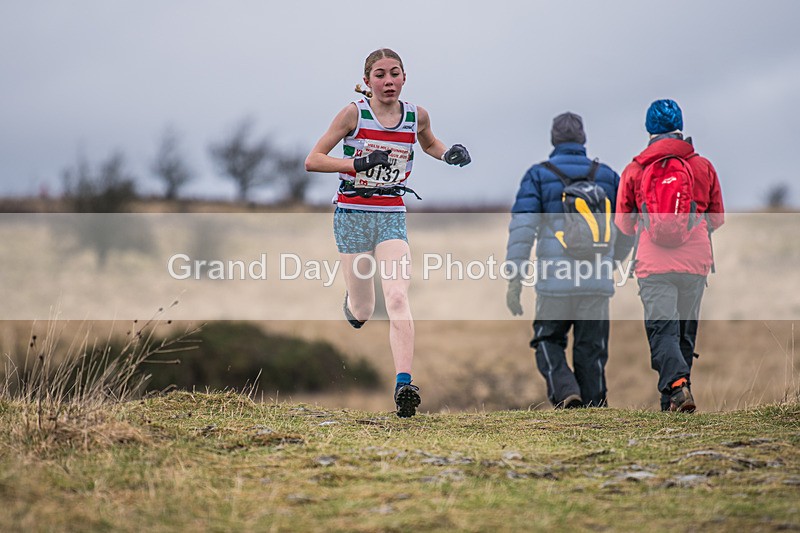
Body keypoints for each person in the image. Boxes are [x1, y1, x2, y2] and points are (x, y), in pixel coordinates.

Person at [305, 48, 471, 418]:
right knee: (364, 310)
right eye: (379, 75)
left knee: (396, 297)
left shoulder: (416, 115)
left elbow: (428, 142)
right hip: (352, 214)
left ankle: (404, 386)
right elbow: (313, 159)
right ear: (368, 82)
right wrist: (357, 163)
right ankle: (352, 303)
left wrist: (448, 155)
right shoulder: (353, 113)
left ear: (404, 77)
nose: (388, 81)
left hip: (391, 213)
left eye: (394, 73)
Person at [505, 112, 633, 408]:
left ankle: (565, 392)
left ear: (554, 140)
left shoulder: (538, 175)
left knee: (547, 340)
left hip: (554, 282)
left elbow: (523, 228)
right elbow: (628, 226)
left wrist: (515, 278)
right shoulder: (608, 176)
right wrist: (612, 262)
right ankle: (594, 410)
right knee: (592, 349)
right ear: (583, 139)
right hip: (597, 281)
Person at [616, 99, 724, 412]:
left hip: (653, 265)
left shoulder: (636, 169)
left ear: (649, 128)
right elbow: (716, 219)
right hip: (695, 263)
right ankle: (674, 399)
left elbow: (624, 224)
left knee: (662, 328)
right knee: (684, 333)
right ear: (681, 126)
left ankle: (676, 388)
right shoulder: (702, 166)